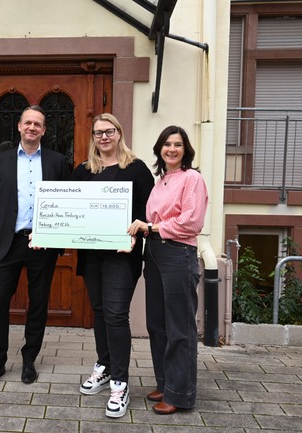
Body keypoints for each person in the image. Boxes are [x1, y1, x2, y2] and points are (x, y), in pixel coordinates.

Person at [0, 105, 70, 389]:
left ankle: (29, 360)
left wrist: (59, 238)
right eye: (27, 122)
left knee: (38, 304)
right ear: (19, 126)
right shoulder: (0, 161)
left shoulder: (57, 161)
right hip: (7, 243)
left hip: (42, 244)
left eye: (37, 124)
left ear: (44, 130)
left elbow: (66, 202)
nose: (32, 128)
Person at [72, 113, 154, 418]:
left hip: (122, 254)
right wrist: (46, 233)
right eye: (98, 133)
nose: (103, 137)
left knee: (117, 314)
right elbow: (70, 207)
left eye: (109, 131)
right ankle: (104, 366)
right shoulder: (83, 171)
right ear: (92, 137)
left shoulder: (137, 169)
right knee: (100, 311)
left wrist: (142, 224)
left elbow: (150, 210)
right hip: (92, 253)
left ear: (119, 133)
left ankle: (120, 382)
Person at [128, 125, 208, 415]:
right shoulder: (161, 181)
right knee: (157, 324)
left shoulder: (192, 178)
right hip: (155, 253)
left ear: (185, 150)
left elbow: (192, 221)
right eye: (166, 144)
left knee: (180, 328)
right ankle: (166, 383)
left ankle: (181, 394)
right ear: (159, 149)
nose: (171, 149)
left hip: (178, 253)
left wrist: (153, 227)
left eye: (177, 144)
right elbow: (148, 221)